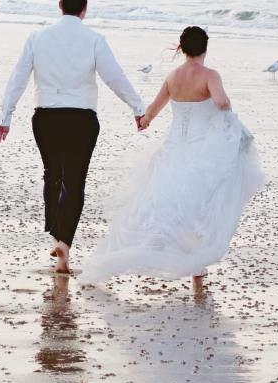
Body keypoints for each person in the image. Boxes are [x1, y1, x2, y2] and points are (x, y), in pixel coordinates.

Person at [81, 26, 265, 288]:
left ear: (182, 48)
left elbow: (152, 111)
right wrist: (228, 119)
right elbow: (222, 102)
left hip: (173, 149)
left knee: (164, 204)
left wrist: (143, 120)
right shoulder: (210, 75)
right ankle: (196, 265)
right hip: (199, 152)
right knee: (198, 205)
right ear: (205, 47)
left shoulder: (173, 77)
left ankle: (169, 256)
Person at [0, 0, 146, 274]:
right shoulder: (94, 39)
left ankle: (56, 232)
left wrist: (5, 117)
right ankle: (64, 242)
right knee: (75, 181)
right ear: (85, 9)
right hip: (82, 120)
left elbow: (18, 78)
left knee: (53, 174)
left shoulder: (37, 37)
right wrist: (137, 108)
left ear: (59, 4)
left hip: (47, 117)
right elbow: (115, 77)